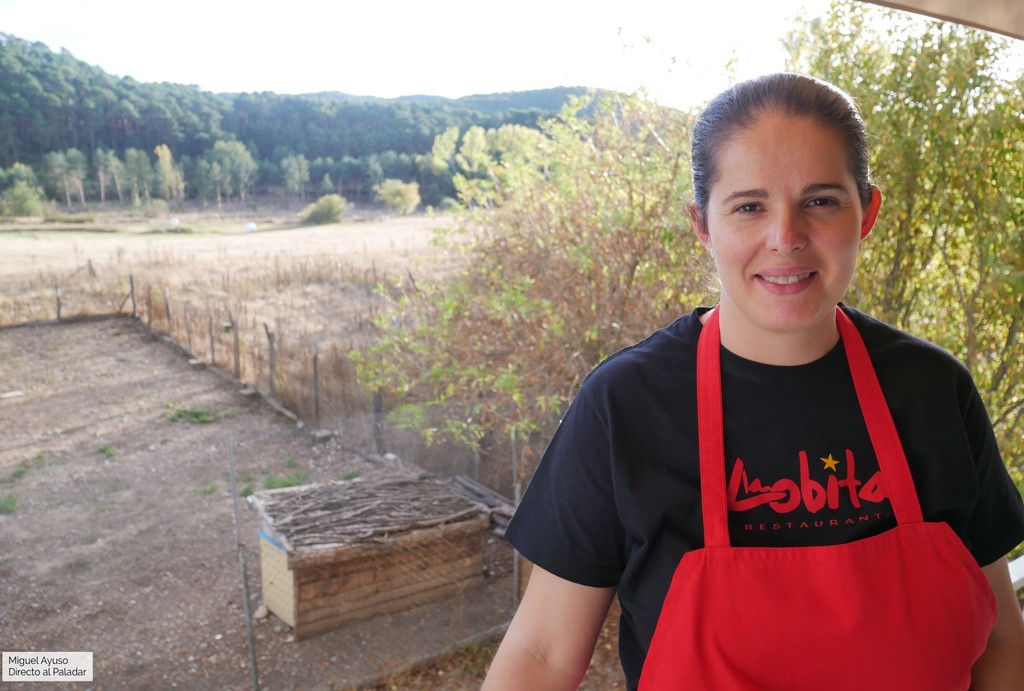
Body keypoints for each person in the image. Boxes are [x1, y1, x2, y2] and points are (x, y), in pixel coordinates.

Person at [482, 72, 1024, 690]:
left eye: (821, 201)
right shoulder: (625, 407)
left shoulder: (934, 390)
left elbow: (1003, 636)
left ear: (867, 212)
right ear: (703, 225)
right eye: (749, 207)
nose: (785, 239)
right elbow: (544, 655)